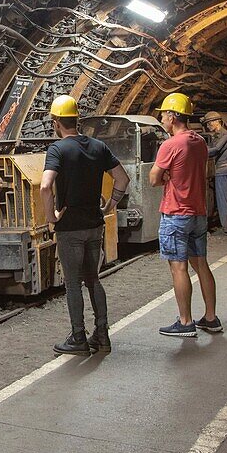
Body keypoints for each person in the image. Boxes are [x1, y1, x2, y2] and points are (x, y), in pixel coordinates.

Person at [41, 94, 131, 356]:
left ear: (57, 122)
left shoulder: (57, 149)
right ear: (76, 120)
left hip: (70, 227)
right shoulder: (98, 147)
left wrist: (51, 217)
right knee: (93, 279)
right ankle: (102, 335)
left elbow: (46, 186)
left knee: (72, 284)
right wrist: (109, 206)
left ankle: (78, 337)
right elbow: (122, 179)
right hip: (94, 224)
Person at [149, 93, 221, 338]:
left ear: (172, 116)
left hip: (176, 212)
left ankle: (185, 321)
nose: (161, 118)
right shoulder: (199, 141)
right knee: (201, 264)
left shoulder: (170, 145)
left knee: (178, 267)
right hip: (198, 211)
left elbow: (153, 178)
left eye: (163, 114)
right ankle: (211, 318)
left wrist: (166, 177)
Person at [203, 111, 227, 236]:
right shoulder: (217, 136)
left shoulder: (226, 135)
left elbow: (216, 150)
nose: (207, 127)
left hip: (224, 171)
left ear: (215, 122)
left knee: (224, 201)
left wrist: (198, 152)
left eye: (208, 123)